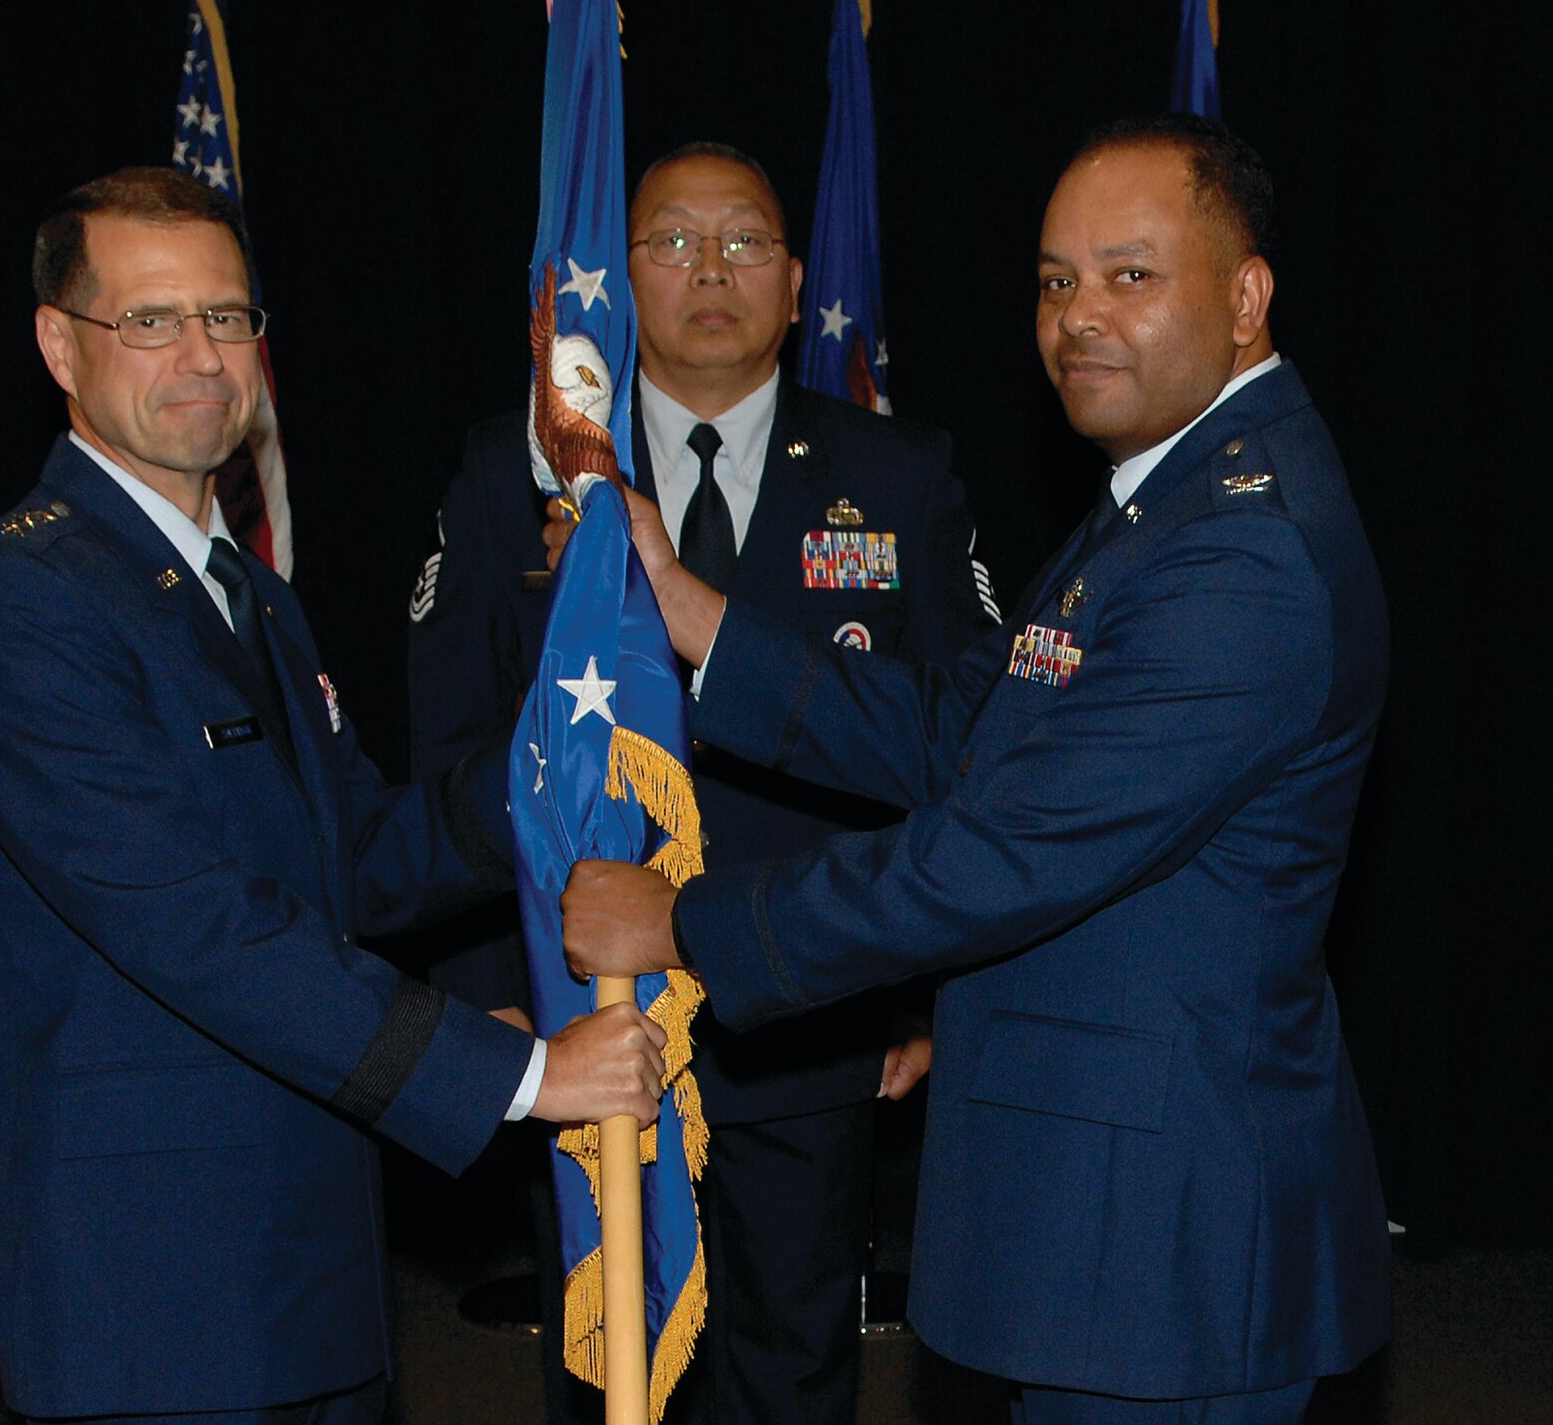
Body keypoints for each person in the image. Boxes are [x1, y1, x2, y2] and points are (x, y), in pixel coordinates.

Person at [559, 116, 1392, 1424]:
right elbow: (975, 726)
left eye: (1131, 275)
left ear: (1245, 296)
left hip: (1159, 1253)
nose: (1079, 318)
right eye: (1057, 281)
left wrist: (678, 920)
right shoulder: (1165, 498)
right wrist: (698, 616)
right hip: (1094, 1216)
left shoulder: (1243, 556)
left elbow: (998, 852)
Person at [0, 166, 667, 1425]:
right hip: (155, 1285)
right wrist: (521, 1075)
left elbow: (353, 856)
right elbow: (195, 925)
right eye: (150, 320)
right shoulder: (21, 601)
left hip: (309, 1259)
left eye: (228, 316)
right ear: (60, 343)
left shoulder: (247, 593)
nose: (202, 357)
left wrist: (551, 771)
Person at [407, 142, 998, 1423]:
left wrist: (936, 993)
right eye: (672, 241)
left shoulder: (900, 476)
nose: (710, 269)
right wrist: (487, 999)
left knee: (793, 1362)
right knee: (614, 1363)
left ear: (795, 284)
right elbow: (452, 751)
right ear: (616, 285)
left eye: (744, 241)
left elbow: (965, 753)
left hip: (810, 1003)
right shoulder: (516, 476)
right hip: (588, 1008)